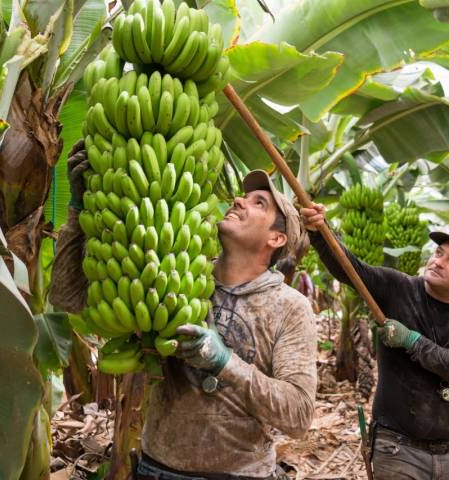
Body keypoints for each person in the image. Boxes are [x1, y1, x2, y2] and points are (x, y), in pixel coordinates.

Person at [50, 142, 318, 480]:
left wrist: (225, 363)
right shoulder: (177, 273)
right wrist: (77, 208)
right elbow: (66, 296)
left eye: (258, 203)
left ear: (276, 239)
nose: (238, 201)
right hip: (155, 469)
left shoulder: (289, 308)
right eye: (244, 196)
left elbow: (298, 416)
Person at [300, 203, 449, 480]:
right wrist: (320, 233)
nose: (438, 261)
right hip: (397, 449)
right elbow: (350, 269)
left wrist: (411, 340)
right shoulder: (398, 287)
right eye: (439, 253)